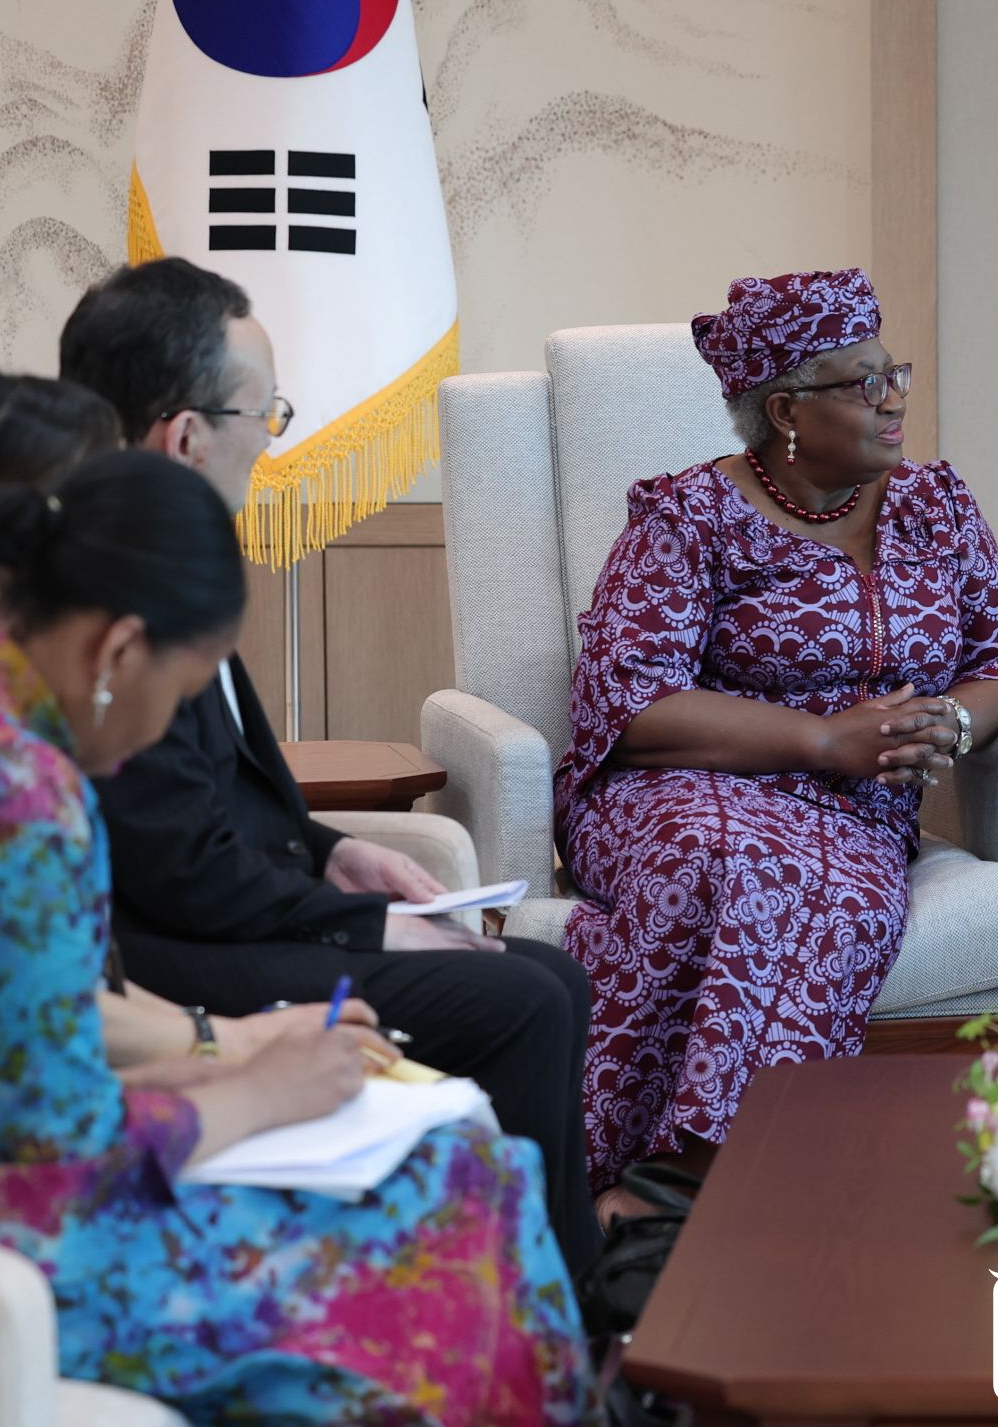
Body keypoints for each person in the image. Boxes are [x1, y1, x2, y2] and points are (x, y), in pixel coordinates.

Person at [0, 447, 589, 1422]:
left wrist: (222, 1053)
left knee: (473, 1172)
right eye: (178, 694)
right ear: (117, 653)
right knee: (460, 1200)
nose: (153, 741)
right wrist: (260, 1093)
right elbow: (54, 1166)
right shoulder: (13, 793)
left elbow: (13, 1050)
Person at [57, 258, 599, 1272]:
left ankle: (572, 1308)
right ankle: (529, 1310)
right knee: (519, 1000)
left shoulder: (165, 552)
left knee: (555, 979)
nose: (272, 442)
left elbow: (215, 792)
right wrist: (368, 925)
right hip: (167, 951)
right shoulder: (108, 593)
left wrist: (332, 852)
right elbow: (176, 866)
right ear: (185, 435)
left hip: (218, 917)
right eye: (265, 417)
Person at [558, 269, 998, 1207]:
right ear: (786, 407)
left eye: (894, 371)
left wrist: (950, 720)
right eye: (864, 382)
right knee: (726, 858)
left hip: (860, 814)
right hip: (677, 790)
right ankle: (664, 1180)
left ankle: (687, 1184)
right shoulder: (688, 517)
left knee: (818, 882)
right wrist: (823, 740)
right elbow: (625, 699)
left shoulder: (937, 508)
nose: (896, 398)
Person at [0, 372, 404, 1068]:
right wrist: (245, 1067)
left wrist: (228, 1044)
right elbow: (51, 1129)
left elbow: (44, 998)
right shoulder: (7, 775)